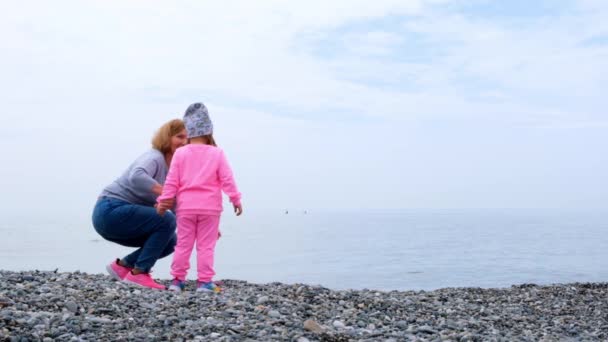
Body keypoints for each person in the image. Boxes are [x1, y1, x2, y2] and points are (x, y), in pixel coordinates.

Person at [92, 119, 187, 290]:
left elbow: (175, 206)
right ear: (167, 137)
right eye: (179, 136)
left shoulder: (175, 169)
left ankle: (123, 266)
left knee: (172, 241)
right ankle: (140, 273)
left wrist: (202, 225)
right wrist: (165, 191)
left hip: (123, 219)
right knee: (166, 219)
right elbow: (136, 176)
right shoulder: (154, 157)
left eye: (188, 139)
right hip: (110, 210)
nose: (184, 142)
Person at [157, 102, 242, 293]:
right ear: (209, 130)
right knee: (206, 246)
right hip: (210, 208)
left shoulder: (180, 153)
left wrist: (163, 202)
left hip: (186, 208)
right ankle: (204, 282)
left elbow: (172, 182)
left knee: (183, 245)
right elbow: (227, 179)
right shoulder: (217, 153)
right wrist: (235, 199)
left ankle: (177, 281)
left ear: (189, 131)